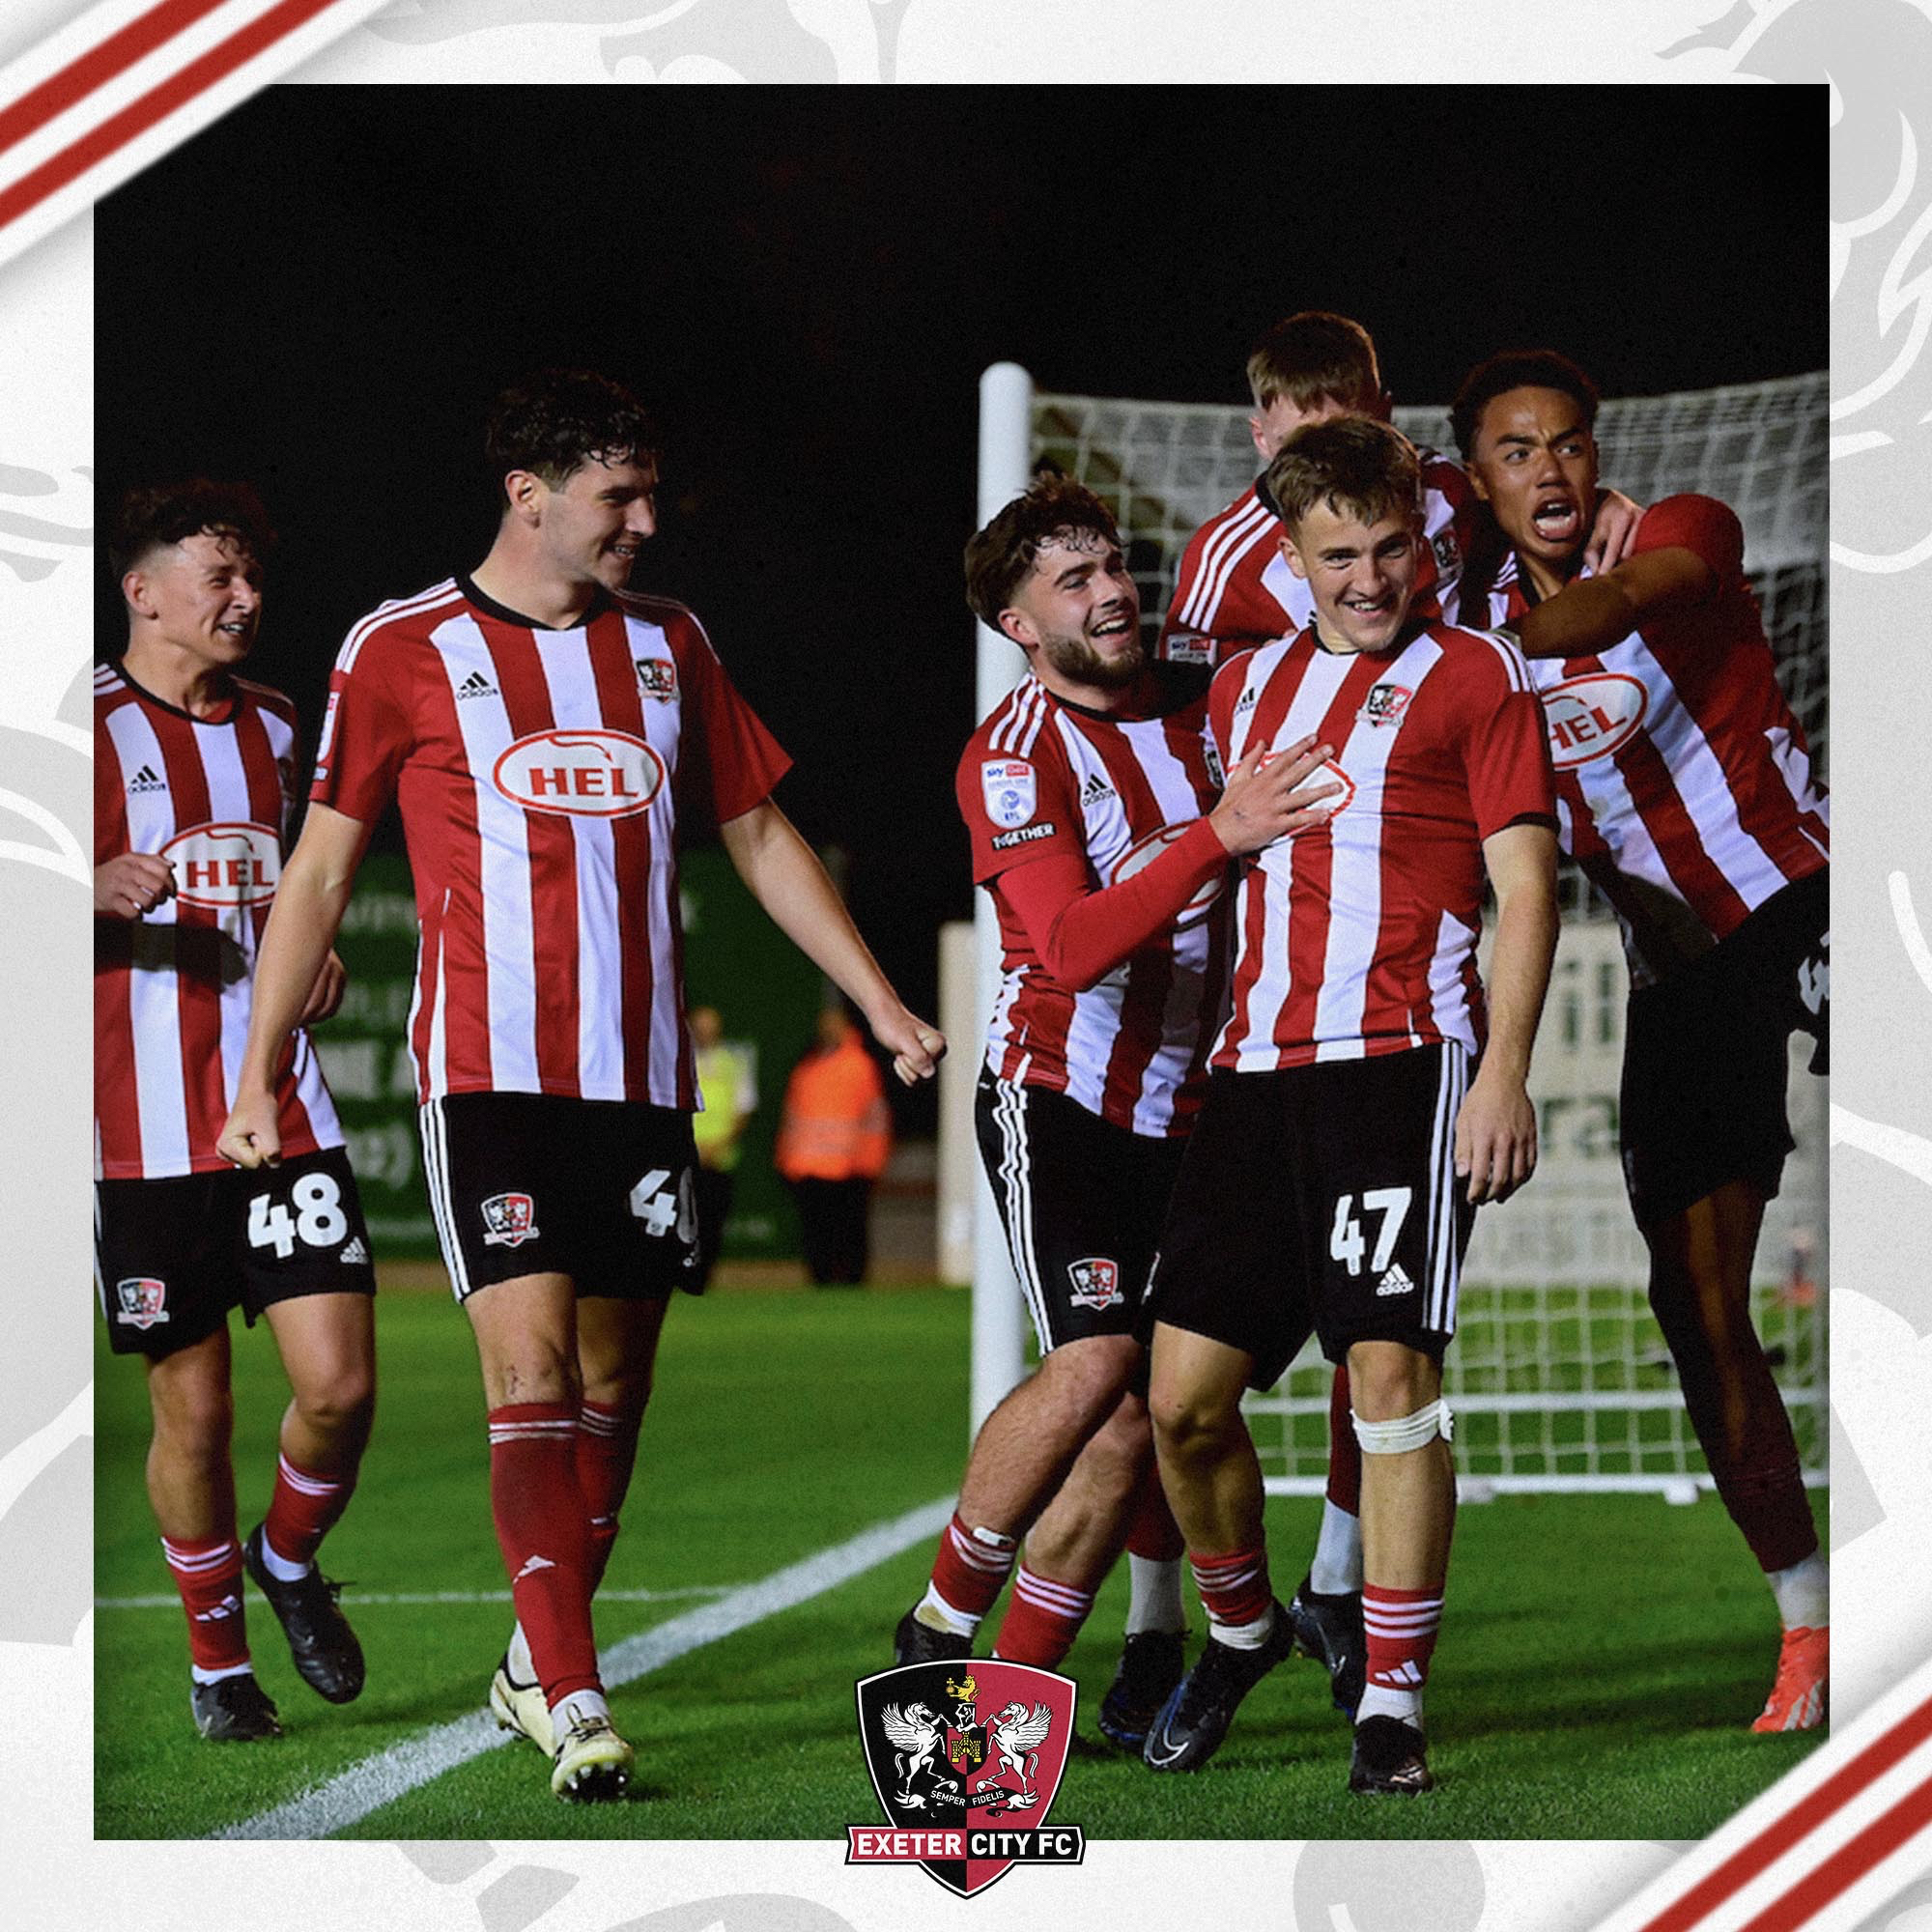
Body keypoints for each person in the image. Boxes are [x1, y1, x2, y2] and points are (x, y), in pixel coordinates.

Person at [216, 370, 944, 1801]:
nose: (646, 523)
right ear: (528, 497)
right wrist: (259, 1072)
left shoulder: (673, 644)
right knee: (532, 1375)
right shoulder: (402, 646)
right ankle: (575, 1693)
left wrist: (879, 996)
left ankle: (526, 1665)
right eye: (619, 497)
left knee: (613, 1385)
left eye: (649, 492)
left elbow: (759, 831)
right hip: (490, 1081)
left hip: (643, 1090)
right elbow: (317, 867)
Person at [1152, 312, 1641, 1717]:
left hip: (1403, 1068)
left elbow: (1527, 890)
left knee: (1389, 1377)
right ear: (1288, 562)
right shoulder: (1243, 686)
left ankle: (1391, 1704)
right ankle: (1242, 1631)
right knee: (1181, 1402)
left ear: (1425, 545)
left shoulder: (1478, 672)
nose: (1369, 580)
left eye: (1390, 553)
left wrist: (1502, 1078)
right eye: (1338, 558)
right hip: (1250, 1077)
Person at [895, 475, 1340, 1743]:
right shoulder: (1018, 756)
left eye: (1114, 568)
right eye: (1073, 582)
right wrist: (1218, 833)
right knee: (1096, 1364)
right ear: (1019, 627)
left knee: (1156, 1403)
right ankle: (942, 1620)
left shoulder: (1218, 696)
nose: (1112, 593)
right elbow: (1071, 944)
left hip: (1211, 1110)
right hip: (1067, 1096)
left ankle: (1042, 1683)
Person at [1452, 348, 1831, 1733]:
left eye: (1565, 443)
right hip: (1684, 984)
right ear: (1478, 480)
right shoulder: (1476, 631)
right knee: (1698, 1312)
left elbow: (1624, 599)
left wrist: (1475, 651)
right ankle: (1809, 1625)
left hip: (1811, 911)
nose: (1548, 468)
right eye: (1514, 451)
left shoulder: (1680, 531)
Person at [96, 481, 376, 1743]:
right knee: (193, 1413)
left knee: (341, 1386)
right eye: (215, 575)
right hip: (139, 1133)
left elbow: (298, 894)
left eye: (252, 574)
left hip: (282, 1108)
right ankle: (219, 1667)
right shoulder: (72, 729)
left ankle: (292, 1555)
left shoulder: (272, 722)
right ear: (140, 591)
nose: (244, 598)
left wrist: (318, 958)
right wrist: (71, 882)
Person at [775, 1007, 893, 1285]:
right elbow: (794, 1117)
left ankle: (851, 1278)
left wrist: (870, 1161)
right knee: (817, 1231)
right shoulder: (808, 1067)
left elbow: (875, 1118)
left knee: (849, 1230)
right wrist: (787, 1159)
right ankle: (822, 1277)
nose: (828, 1030)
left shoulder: (859, 1066)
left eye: (834, 1025)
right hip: (809, 1168)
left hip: (849, 1167)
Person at [688, 1005, 755, 1290]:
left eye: (710, 1027)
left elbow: (742, 1111)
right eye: (700, 1027)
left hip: (719, 1160)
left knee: (712, 1224)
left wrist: (715, 1147)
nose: (705, 1033)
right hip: (684, 1158)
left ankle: (705, 1279)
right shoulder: (680, 1061)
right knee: (681, 1224)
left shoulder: (732, 1063)